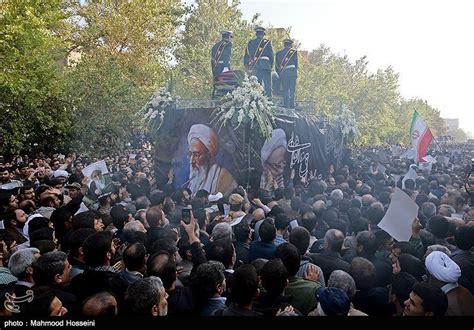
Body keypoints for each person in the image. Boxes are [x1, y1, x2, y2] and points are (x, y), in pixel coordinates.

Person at [187, 124, 237, 197]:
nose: (191, 161)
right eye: (190, 154)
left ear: (209, 155)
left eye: (196, 155)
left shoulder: (225, 179)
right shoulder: (194, 178)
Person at [244, 26, 274, 97]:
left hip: (255, 66)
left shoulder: (250, 43)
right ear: (263, 34)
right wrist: (270, 66)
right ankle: (269, 102)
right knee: (268, 86)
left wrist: (247, 66)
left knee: (257, 86)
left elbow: (246, 56)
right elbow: (271, 56)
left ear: (256, 34)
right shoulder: (267, 42)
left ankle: (258, 102)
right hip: (266, 66)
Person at [260, 129, 287, 193]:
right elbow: (263, 194)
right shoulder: (266, 170)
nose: (281, 157)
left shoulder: (279, 169)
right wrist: (269, 184)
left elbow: (281, 191)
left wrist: (277, 188)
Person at [275, 39, 298, 108]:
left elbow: (277, 66)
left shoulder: (278, 53)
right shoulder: (294, 52)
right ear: (291, 45)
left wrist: (279, 74)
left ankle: (286, 104)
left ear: (284, 45)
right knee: (292, 90)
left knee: (285, 89)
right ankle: (291, 105)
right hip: (292, 73)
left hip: (284, 73)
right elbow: (296, 65)